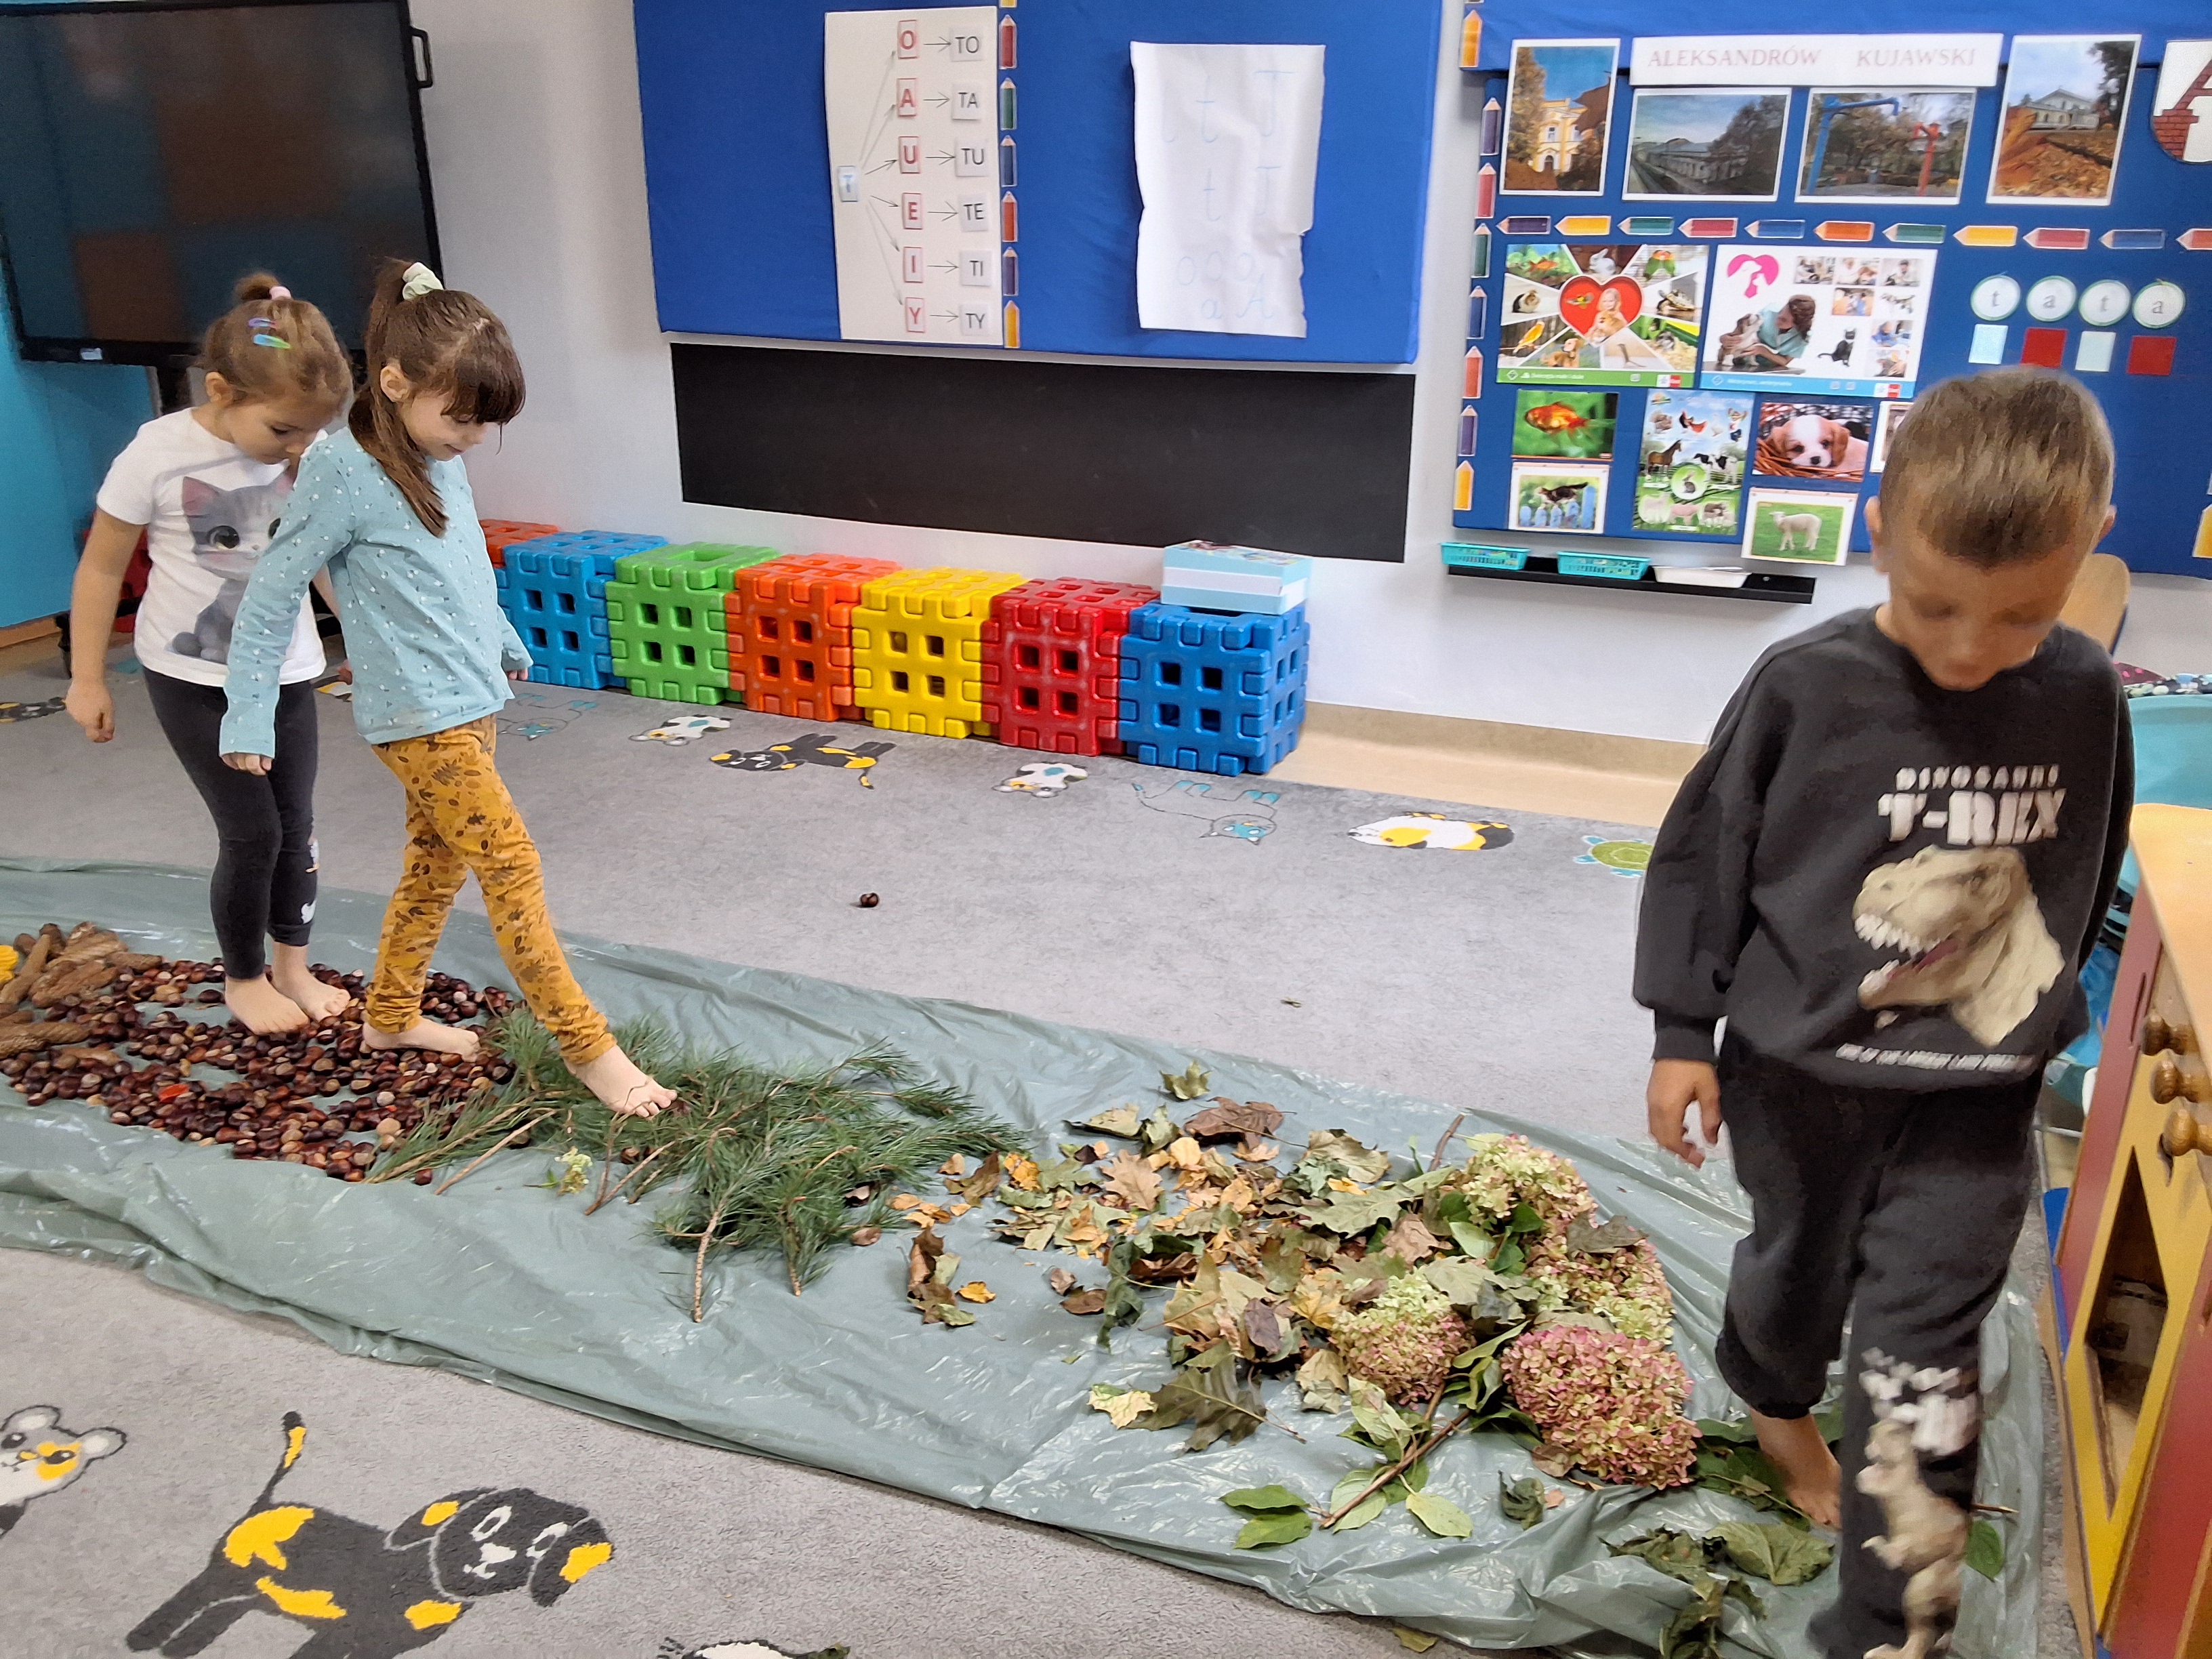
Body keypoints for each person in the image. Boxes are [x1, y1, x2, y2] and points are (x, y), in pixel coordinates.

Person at [1635, 367, 2131, 1659]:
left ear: (2087, 550)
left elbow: (2081, 863)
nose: (1967, 650)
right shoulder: (1802, 683)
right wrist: (1681, 1031)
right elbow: (1703, 854)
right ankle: (1776, 1407)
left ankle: (1887, 1627)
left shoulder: (2084, 691)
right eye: (1931, 604)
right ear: (1877, 531)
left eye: (2019, 616)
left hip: (1973, 1093)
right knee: (1793, 1274)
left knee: (1924, 1348)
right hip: (1798, 1074)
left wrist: (2036, 1017)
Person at [217, 260, 674, 1118]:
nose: (473, 436)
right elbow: (275, 588)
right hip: (417, 717)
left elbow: (460, 560)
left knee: (435, 866)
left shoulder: (437, 454)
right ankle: (590, 1049)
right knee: (511, 863)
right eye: (461, 418)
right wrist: (249, 711)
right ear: (394, 384)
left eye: (484, 422)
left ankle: (389, 1018)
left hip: (471, 698)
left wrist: (501, 638)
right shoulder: (341, 469)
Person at [65, 274, 356, 1033]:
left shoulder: (310, 449)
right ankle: (244, 978)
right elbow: (101, 567)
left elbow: (323, 555)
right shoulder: (158, 451)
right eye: (283, 431)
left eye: (310, 432)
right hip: (195, 677)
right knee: (253, 832)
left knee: (296, 826)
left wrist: (362, 637)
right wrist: (87, 678)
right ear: (221, 391)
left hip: (287, 672)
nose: (298, 448)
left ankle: (293, 965)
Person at [1727, 294, 1816, 369]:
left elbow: (1785, 361)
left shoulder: (1802, 336)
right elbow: (1740, 332)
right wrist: (1726, 339)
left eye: (1784, 320)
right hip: (1742, 362)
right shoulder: (1768, 312)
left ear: (1796, 325)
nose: (1778, 317)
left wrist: (1763, 351)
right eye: (1781, 312)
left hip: (1771, 369)